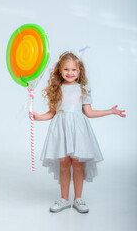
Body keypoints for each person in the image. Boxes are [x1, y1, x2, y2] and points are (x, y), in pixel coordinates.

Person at [29, 51, 126, 213]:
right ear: (60, 70)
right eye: (66, 69)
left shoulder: (83, 90)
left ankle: (78, 199)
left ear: (79, 71)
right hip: (61, 129)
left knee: (77, 163)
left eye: (73, 70)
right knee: (64, 164)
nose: (70, 73)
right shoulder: (57, 89)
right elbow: (52, 113)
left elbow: (89, 112)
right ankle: (64, 199)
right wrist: (39, 117)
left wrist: (110, 111)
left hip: (78, 130)